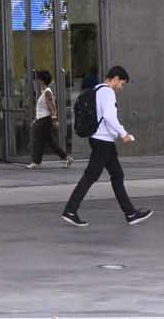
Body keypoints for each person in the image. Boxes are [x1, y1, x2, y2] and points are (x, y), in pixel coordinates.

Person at [61, 65, 152, 227]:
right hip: (103, 142)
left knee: (116, 175)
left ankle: (130, 213)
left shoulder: (97, 90)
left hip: (101, 140)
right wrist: (123, 134)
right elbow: (109, 117)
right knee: (92, 176)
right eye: (121, 83)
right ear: (115, 78)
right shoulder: (108, 92)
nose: (121, 87)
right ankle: (70, 210)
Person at [26, 69, 71, 169]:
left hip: (44, 120)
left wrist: (54, 120)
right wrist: (36, 119)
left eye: (38, 79)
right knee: (49, 141)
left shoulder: (47, 92)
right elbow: (43, 108)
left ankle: (36, 161)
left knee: (38, 140)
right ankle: (66, 158)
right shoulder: (45, 92)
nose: (37, 81)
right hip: (42, 119)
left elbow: (51, 107)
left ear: (42, 81)